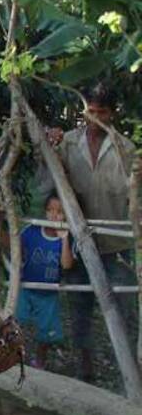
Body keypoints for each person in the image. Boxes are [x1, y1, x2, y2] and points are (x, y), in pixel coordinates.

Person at [43, 83, 140, 382]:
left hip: (116, 245)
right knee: (79, 312)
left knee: (125, 311)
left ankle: (130, 377)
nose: (95, 118)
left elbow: (134, 197)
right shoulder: (68, 144)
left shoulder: (126, 149)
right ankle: (84, 376)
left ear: (112, 113)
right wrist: (47, 147)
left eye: (102, 112)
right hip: (79, 245)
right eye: (90, 111)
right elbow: (48, 183)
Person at [15, 192, 73, 369]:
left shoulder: (67, 237)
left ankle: (40, 361)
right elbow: (14, 246)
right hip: (25, 287)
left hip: (49, 293)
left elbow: (66, 265)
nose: (54, 215)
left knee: (46, 331)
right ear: (45, 211)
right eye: (50, 210)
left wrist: (64, 239)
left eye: (59, 212)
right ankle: (13, 355)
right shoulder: (32, 231)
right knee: (16, 322)